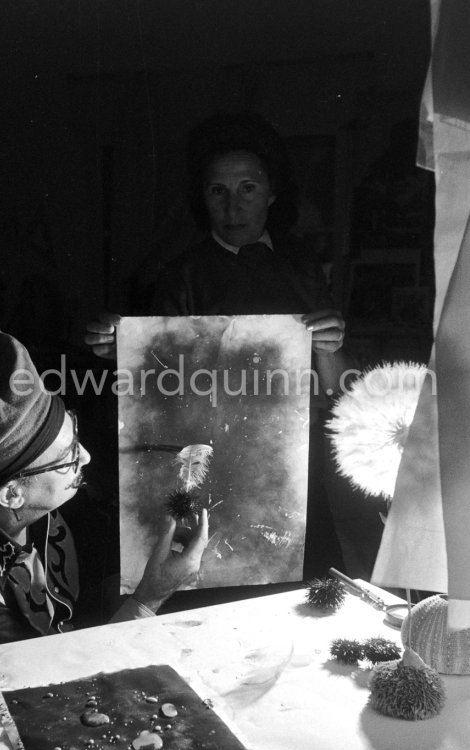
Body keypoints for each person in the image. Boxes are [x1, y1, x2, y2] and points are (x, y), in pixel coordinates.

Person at [86, 113, 351, 581]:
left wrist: (331, 345)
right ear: (202, 199)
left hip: (294, 458)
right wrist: (124, 350)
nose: (233, 205)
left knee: (307, 578)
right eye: (218, 191)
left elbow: (337, 389)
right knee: (220, 576)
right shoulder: (180, 276)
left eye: (247, 188)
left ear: (271, 192)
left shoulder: (303, 267)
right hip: (216, 458)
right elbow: (158, 390)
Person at [0, 320, 208, 655]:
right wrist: (150, 597)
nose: (85, 457)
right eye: (69, 457)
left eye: (74, 432)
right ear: (13, 494)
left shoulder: (14, 489)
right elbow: (46, 692)